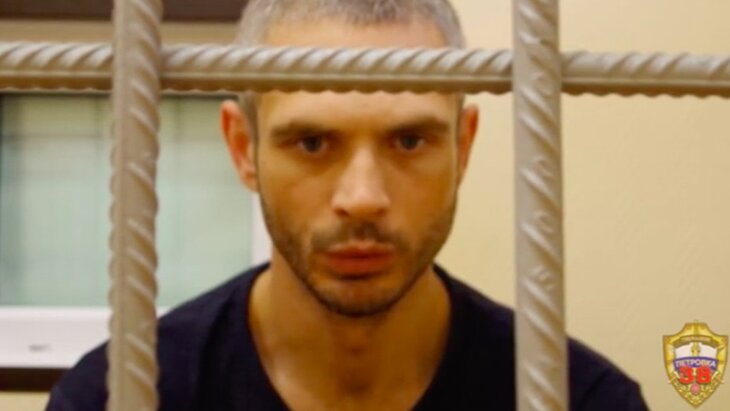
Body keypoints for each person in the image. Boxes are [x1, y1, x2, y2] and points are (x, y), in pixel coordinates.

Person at [47, 1, 649, 410]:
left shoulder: (580, 399)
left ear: (462, 147)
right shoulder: (117, 397)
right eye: (312, 143)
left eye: (409, 141)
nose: (362, 199)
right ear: (243, 148)